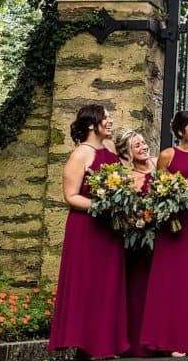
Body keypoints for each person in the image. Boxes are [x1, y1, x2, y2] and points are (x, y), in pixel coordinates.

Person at [48, 104, 129, 357]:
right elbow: (70, 196)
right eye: (106, 117)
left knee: (108, 285)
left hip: (109, 229)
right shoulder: (81, 154)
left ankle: (104, 343)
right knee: (88, 284)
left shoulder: (110, 149)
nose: (111, 120)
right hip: (87, 228)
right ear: (93, 124)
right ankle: (85, 345)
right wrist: (102, 205)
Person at [141, 110, 188, 355]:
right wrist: (170, 201)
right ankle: (169, 340)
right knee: (170, 282)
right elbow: (158, 189)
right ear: (181, 130)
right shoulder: (167, 155)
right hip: (172, 224)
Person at [115, 128, 155, 358]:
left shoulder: (160, 166)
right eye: (137, 145)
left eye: (144, 142)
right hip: (139, 239)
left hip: (163, 238)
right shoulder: (128, 177)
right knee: (139, 288)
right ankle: (137, 342)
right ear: (127, 153)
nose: (143, 147)